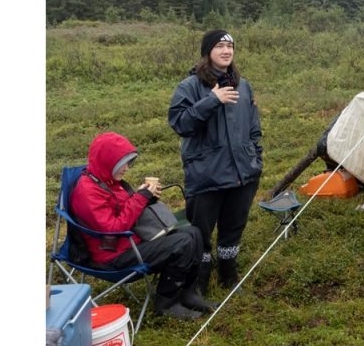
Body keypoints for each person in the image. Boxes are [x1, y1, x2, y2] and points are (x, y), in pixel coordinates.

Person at [70, 132, 217, 320]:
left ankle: (189, 294)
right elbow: (113, 229)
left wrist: (141, 196)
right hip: (112, 255)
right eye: (122, 163)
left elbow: (120, 209)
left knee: (194, 232)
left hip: (131, 241)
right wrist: (140, 198)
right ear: (107, 162)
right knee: (182, 242)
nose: (127, 168)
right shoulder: (87, 192)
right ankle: (167, 304)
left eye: (129, 162)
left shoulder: (107, 180)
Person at [169, 29, 263, 291]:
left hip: (242, 173)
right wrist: (212, 100)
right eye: (220, 46)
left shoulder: (243, 85)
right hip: (207, 174)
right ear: (208, 51)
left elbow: (253, 126)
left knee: (233, 229)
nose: (226, 51)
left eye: (230, 46)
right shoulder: (190, 86)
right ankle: (198, 283)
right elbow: (180, 123)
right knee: (201, 233)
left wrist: (256, 158)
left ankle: (228, 277)